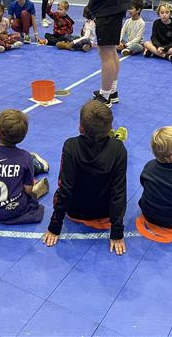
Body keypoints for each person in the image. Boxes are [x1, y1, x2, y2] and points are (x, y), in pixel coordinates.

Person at [42, 99, 127, 255]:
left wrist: (55, 226)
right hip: (105, 212)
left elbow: (65, 188)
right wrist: (117, 232)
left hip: (74, 210)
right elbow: (119, 191)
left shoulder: (70, 146)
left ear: (80, 128)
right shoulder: (118, 148)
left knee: (60, 189)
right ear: (110, 128)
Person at [0, 109, 49, 224]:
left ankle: (33, 170)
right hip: (15, 209)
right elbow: (28, 190)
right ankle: (36, 171)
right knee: (26, 180)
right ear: (22, 137)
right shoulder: (25, 157)